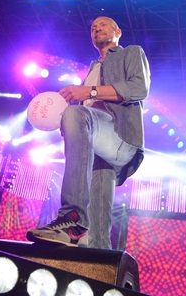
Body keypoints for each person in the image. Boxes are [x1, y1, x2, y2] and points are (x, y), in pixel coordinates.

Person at [27, 16, 151, 249]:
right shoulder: (93, 68)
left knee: (75, 113)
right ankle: (96, 256)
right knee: (97, 235)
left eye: (103, 25)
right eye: (93, 27)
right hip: (97, 145)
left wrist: (88, 93)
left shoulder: (131, 52)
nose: (96, 29)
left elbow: (138, 88)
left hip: (120, 137)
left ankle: (71, 218)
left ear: (118, 32)